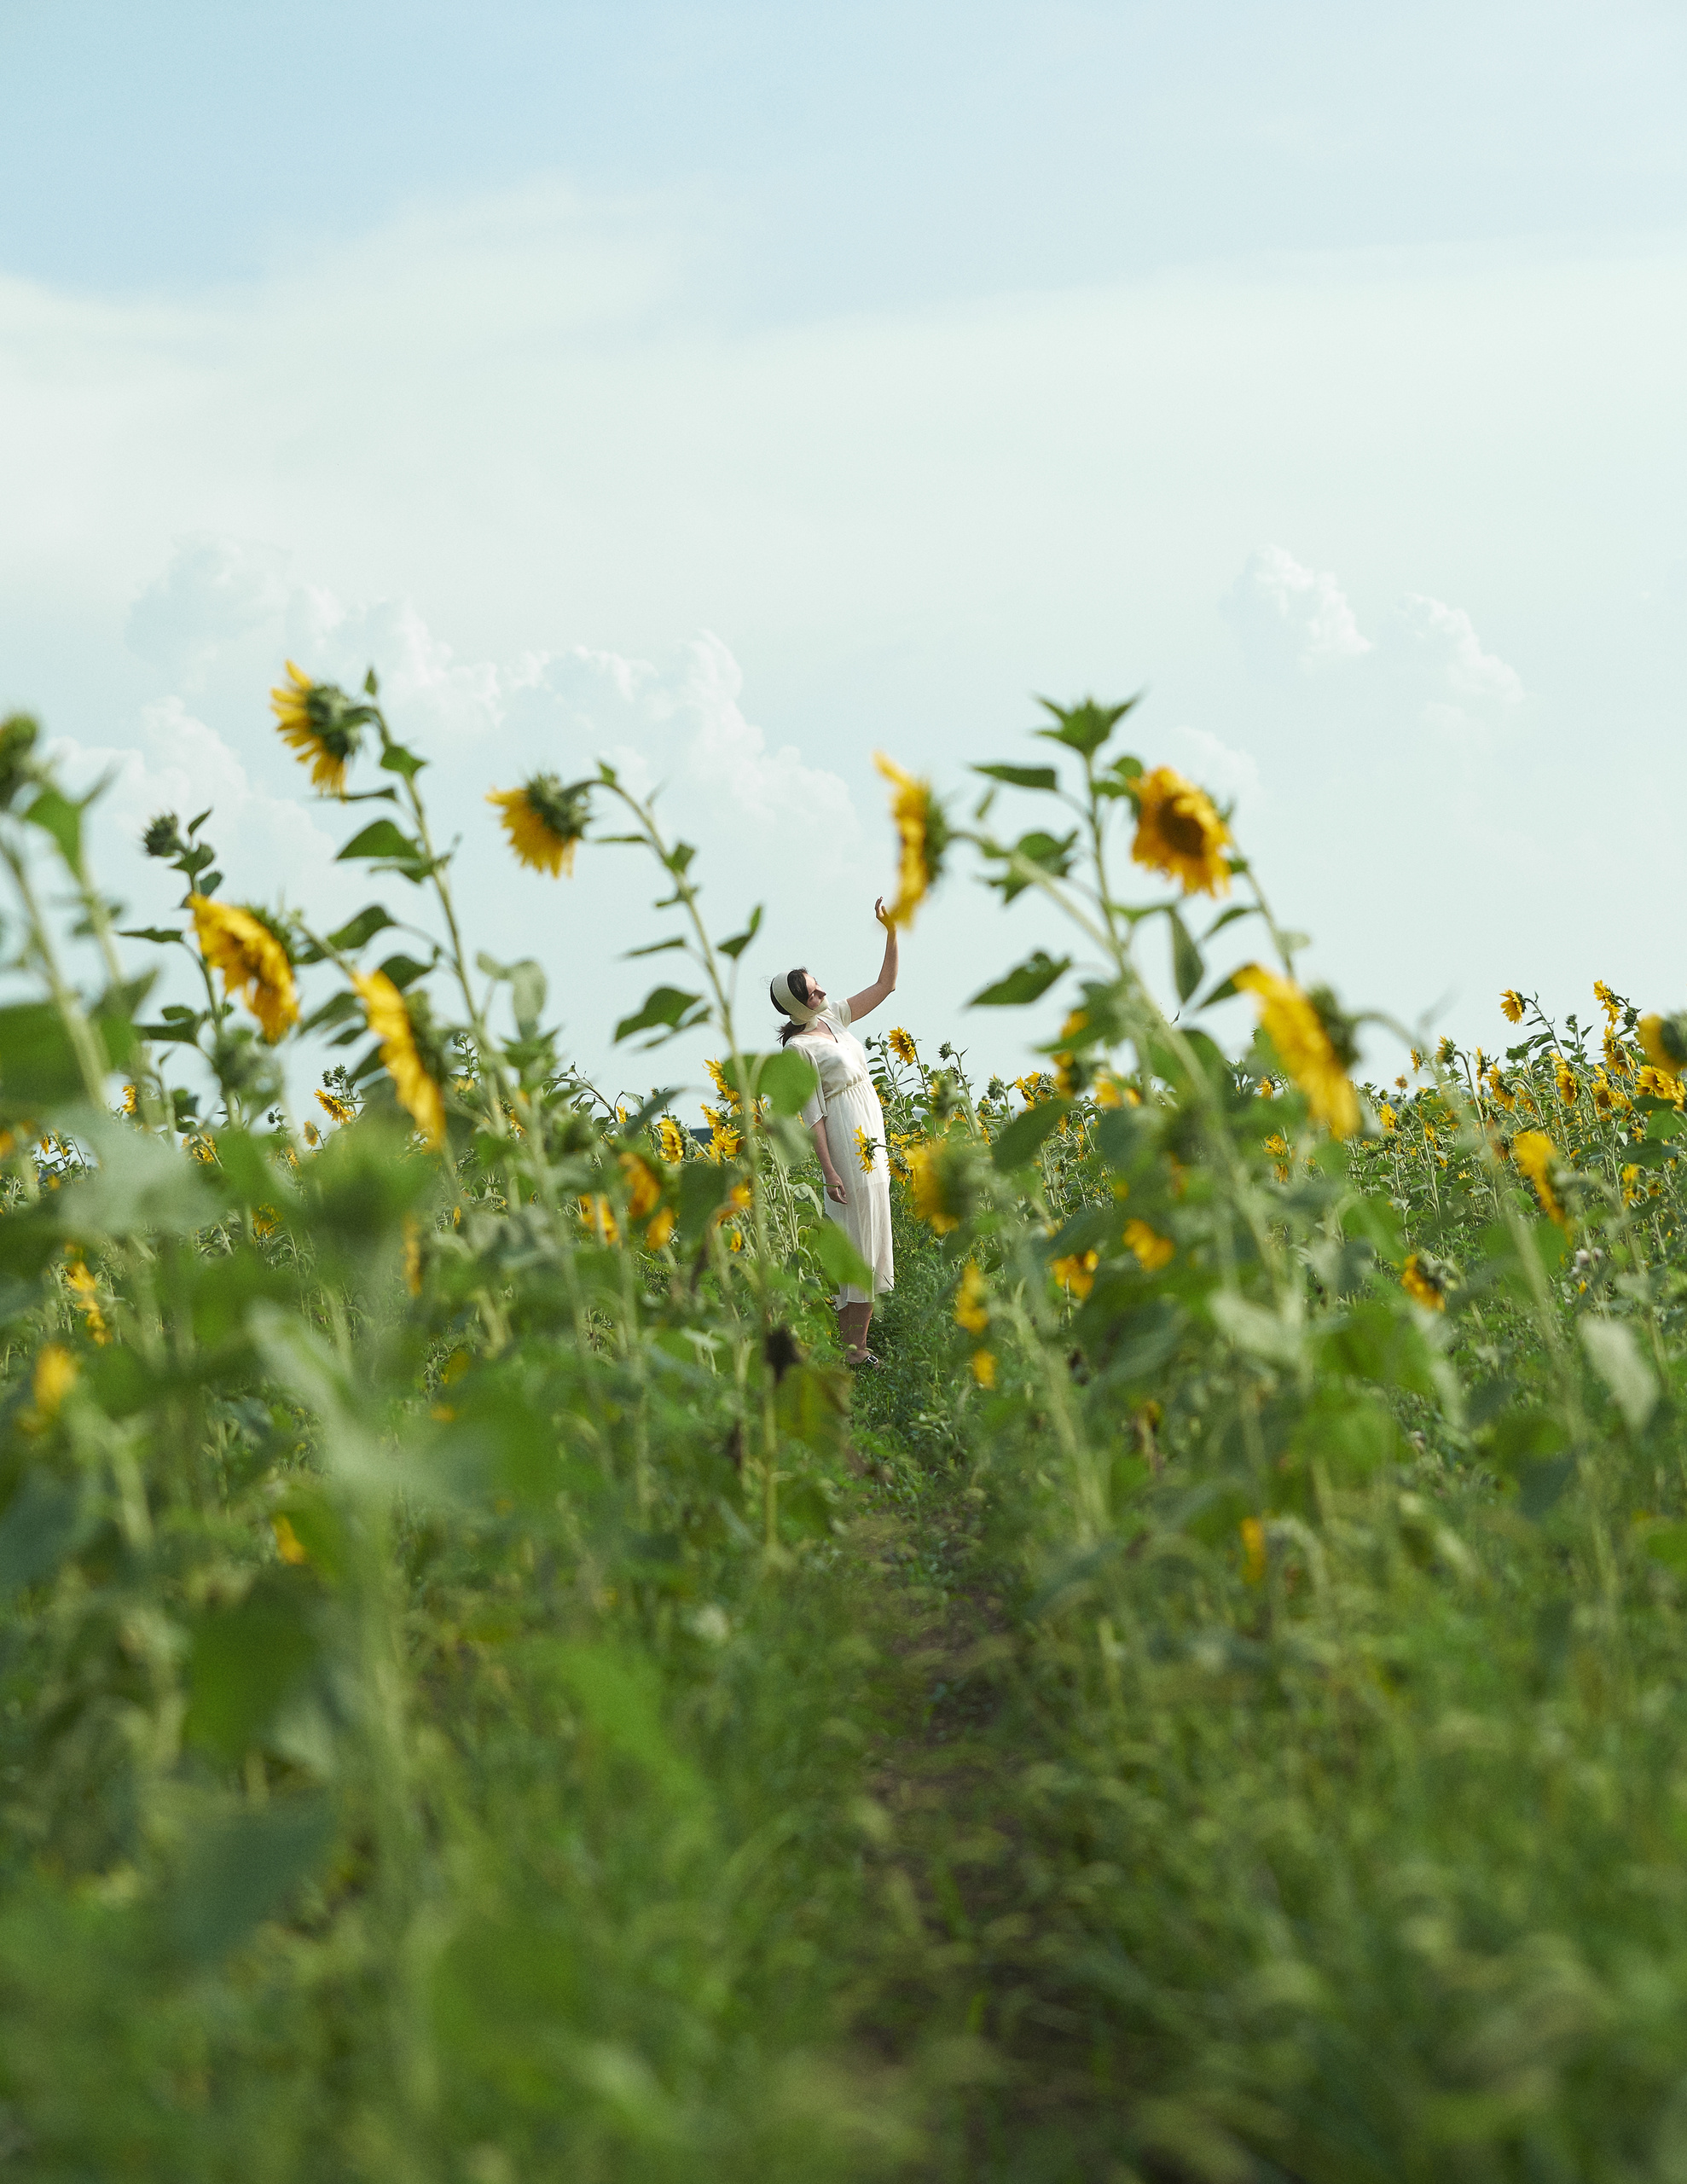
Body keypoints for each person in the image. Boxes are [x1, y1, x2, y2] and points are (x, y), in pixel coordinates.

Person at [770, 902, 899, 1366]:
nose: (821, 991)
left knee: (871, 1231)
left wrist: (892, 933)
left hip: (871, 1128)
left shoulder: (835, 1019)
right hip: (845, 1138)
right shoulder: (800, 1049)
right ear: (795, 1004)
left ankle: (851, 1349)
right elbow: (814, 1116)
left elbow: (885, 986)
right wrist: (828, 1170)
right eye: (811, 992)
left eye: (817, 984)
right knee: (857, 1239)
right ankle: (857, 1350)